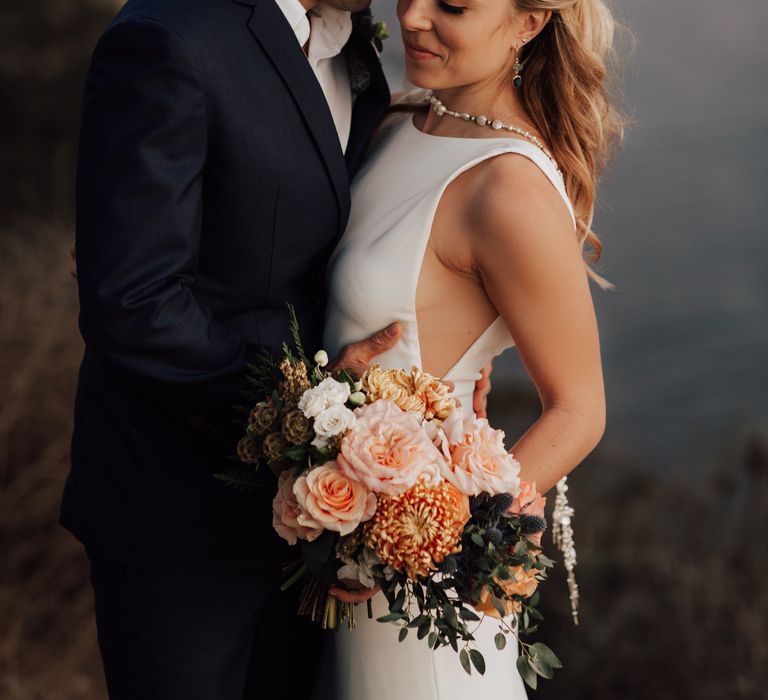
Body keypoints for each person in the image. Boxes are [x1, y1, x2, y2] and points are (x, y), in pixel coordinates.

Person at [59, 0, 411, 698]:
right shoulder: (168, 39)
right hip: (179, 516)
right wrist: (307, 417)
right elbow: (134, 303)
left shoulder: (350, 46)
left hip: (313, 525)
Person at [322, 0, 623, 696]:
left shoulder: (508, 189)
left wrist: (432, 536)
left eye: (453, 5)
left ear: (529, 21)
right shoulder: (400, 118)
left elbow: (579, 409)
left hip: (411, 594)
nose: (414, 18)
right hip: (336, 565)